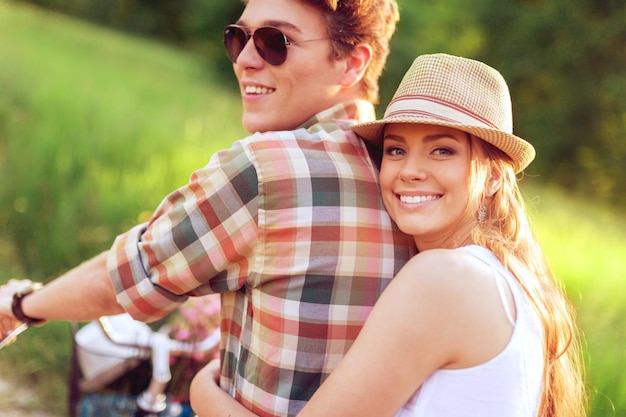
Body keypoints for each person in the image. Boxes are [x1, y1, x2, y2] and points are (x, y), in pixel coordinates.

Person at [0, 0, 414, 416]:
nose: (245, 60)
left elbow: (128, 276)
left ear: (351, 63)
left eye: (276, 41)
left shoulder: (268, 167)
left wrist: (21, 307)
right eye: (238, 38)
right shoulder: (415, 185)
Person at [188, 54, 587, 417]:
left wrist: (203, 394)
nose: (409, 170)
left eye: (442, 151)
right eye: (396, 150)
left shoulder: (444, 279)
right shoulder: (508, 278)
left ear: (495, 177)